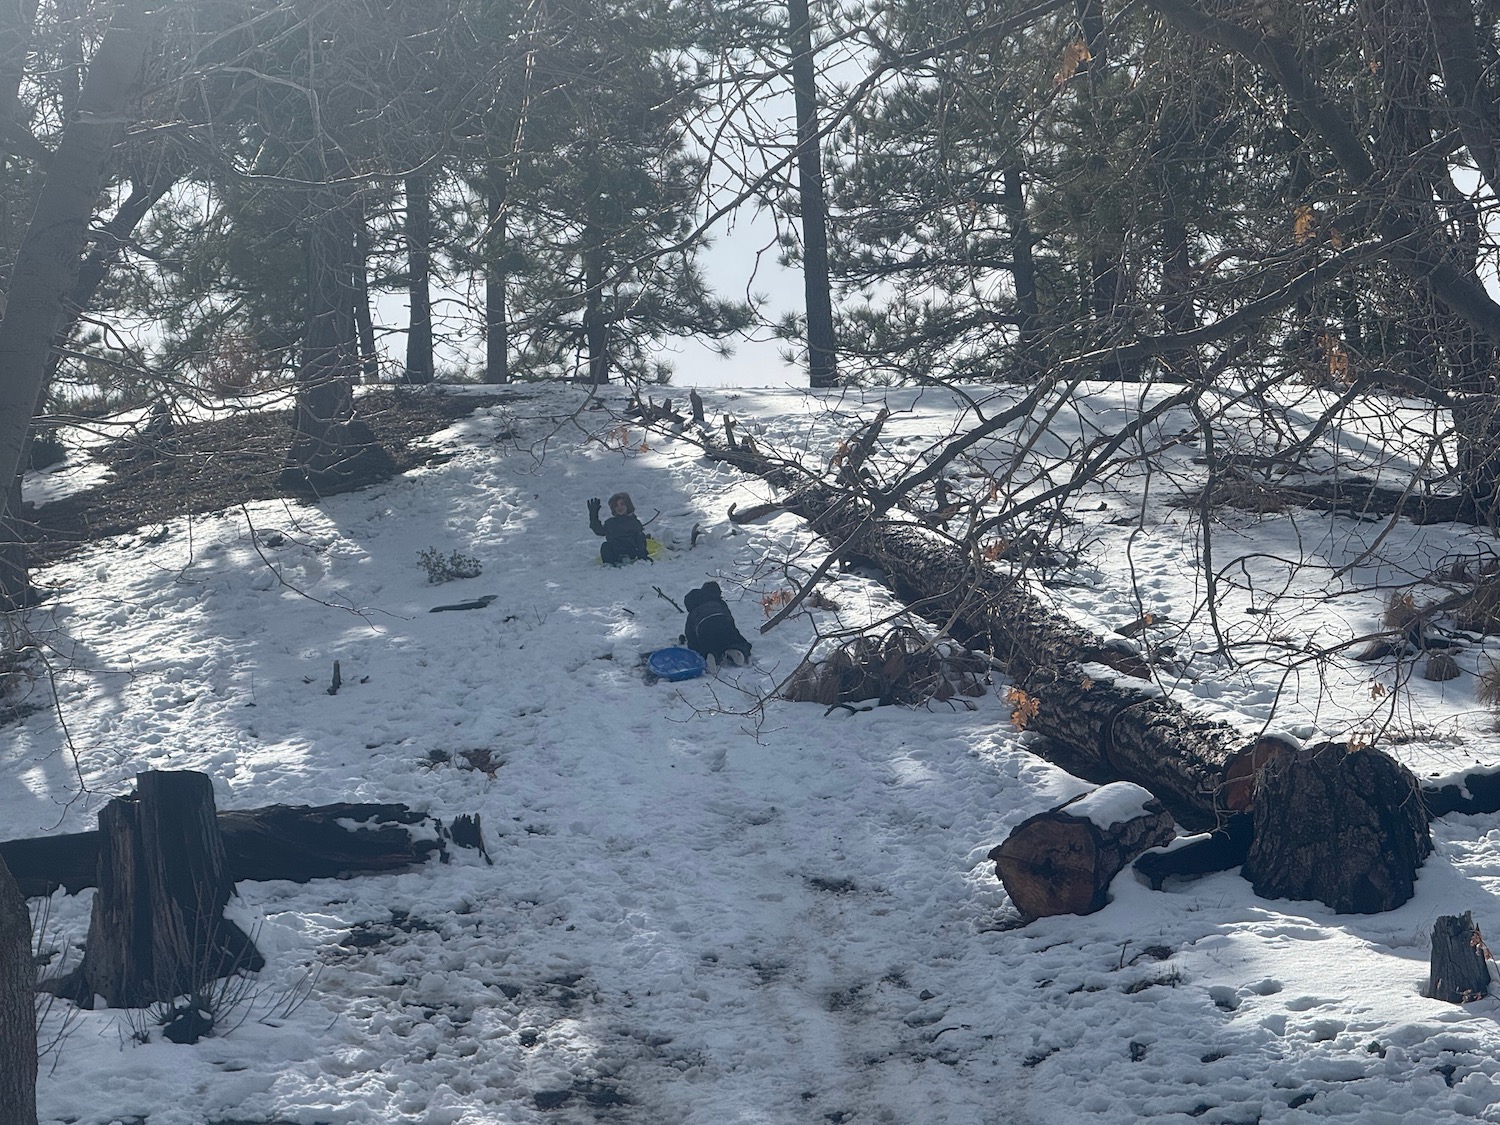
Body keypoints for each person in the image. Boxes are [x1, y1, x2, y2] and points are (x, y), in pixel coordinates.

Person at [683, 581, 752, 669]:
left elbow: (690, 634)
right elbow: (730, 620)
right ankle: (736, 650)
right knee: (734, 640)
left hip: (704, 628)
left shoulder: (693, 612)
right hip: (723, 623)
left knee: (706, 645)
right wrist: (735, 635)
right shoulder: (720, 603)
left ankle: (709, 655)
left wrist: (693, 647)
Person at [588, 491, 650, 565]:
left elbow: (639, 538)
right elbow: (599, 531)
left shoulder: (634, 522)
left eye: (622, 504)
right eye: (616, 506)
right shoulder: (610, 523)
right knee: (605, 546)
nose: (619, 507)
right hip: (616, 551)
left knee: (640, 536)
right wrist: (593, 516)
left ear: (628, 505)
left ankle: (641, 559)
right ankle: (610, 563)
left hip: (631, 550)